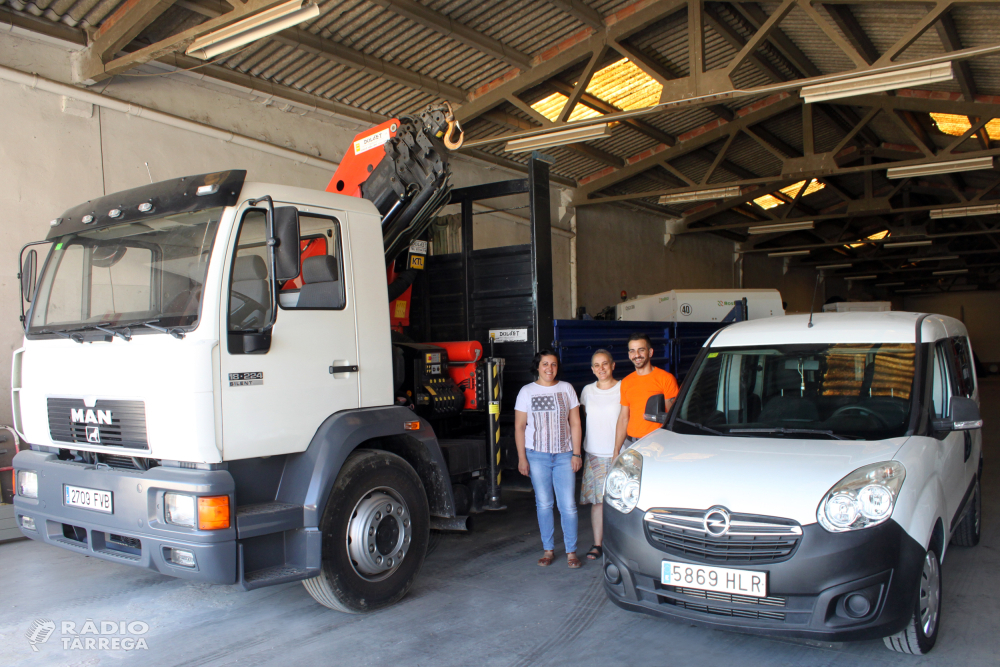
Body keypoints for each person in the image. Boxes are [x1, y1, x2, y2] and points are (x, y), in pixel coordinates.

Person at [514, 349, 584, 568]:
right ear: (538, 366)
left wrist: (576, 453)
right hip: (537, 456)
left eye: (553, 364)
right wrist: (522, 458)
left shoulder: (566, 389)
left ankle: (572, 552)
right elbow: (519, 426)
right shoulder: (527, 391)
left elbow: (575, 423)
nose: (549, 369)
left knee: (569, 506)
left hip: (564, 455)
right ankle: (548, 549)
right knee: (544, 504)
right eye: (545, 364)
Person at [578, 349, 620, 560]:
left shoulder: (623, 388)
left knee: (621, 502)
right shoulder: (587, 391)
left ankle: (619, 546)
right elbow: (584, 417)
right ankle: (597, 544)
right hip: (594, 453)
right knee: (598, 502)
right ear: (592, 369)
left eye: (605, 364)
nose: (601, 368)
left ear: (613, 365)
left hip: (619, 453)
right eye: (596, 365)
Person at [613, 333, 679, 457]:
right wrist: (616, 450)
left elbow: (673, 418)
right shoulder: (626, 382)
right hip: (631, 444)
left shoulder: (666, 379)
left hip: (657, 444)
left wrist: (664, 442)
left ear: (650, 352)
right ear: (629, 355)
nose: (636, 355)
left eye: (641, 350)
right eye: (632, 351)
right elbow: (623, 418)